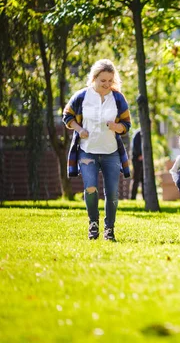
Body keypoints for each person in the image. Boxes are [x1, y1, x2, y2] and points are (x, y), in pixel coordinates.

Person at [63, 59, 131, 241]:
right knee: (91, 187)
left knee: (113, 192)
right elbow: (67, 115)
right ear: (94, 78)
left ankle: (109, 229)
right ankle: (93, 224)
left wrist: (117, 127)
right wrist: (79, 129)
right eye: (103, 81)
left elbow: (126, 124)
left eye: (110, 80)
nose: (107, 84)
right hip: (87, 151)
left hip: (111, 152)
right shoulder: (82, 96)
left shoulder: (117, 98)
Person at [130, 129, 144, 200]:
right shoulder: (138, 134)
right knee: (136, 179)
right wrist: (139, 155)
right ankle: (132, 197)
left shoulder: (144, 134)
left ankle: (145, 197)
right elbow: (135, 147)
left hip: (142, 160)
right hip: (137, 160)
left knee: (143, 179)